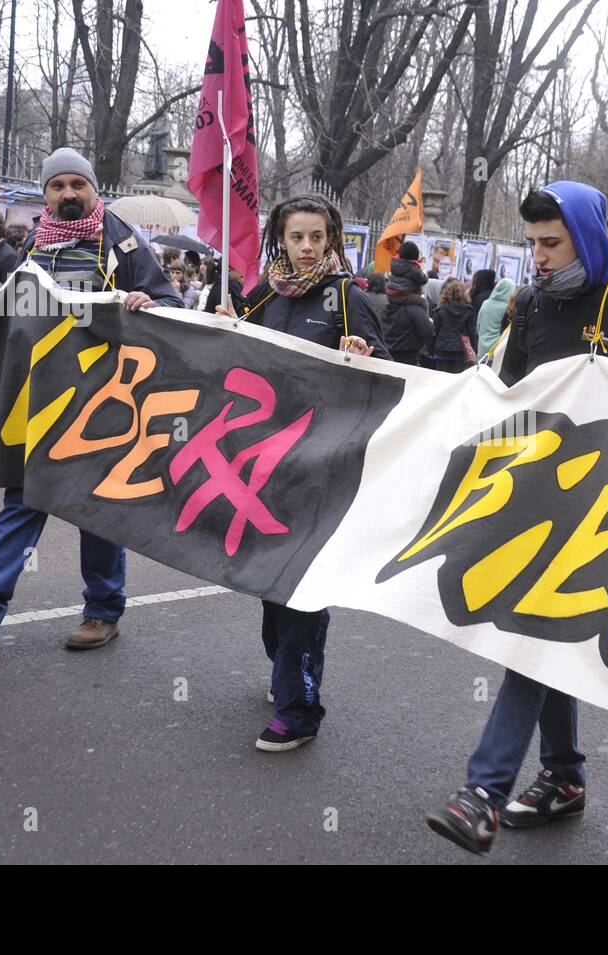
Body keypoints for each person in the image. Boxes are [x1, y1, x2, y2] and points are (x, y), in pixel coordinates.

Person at [425, 181, 608, 855]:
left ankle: (483, 791)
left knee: (534, 633)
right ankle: (565, 775)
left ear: (588, 236)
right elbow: (510, 401)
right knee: (541, 636)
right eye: (532, 244)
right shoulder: (531, 304)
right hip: (540, 507)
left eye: (552, 243)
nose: (539, 257)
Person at [0, 147, 181, 656]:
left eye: (76, 185)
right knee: (22, 500)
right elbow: (9, 317)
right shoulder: (34, 245)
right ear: (45, 194)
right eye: (57, 186)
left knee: (97, 509)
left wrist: (149, 303)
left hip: (104, 404)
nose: (68, 194)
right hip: (40, 403)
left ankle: (103, 612)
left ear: (93, 190)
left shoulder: (121, 243)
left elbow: (168, 300)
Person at [217, 194, 387, 753]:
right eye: (298, 238)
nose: (309, 247)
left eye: (319, 237)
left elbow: (388, 372)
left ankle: (299, 708)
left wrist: (365, 356)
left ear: (332, 241)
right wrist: (221, 330)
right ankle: (286, 672)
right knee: (270, 582)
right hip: (263, 466)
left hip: (323, 470)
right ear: (280, 240)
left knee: (302, 587)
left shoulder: (348, 297)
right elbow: (233, 362)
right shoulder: (261, 293)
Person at [383, 242, 433, 366]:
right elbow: (427, 332)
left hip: (393, 292)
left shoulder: (395, 265)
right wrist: (430, 322)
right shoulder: (416, 309)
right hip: (407, 357)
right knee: (423, 301)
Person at [430, 278, 478, 372]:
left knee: (441, 379)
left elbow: (434, 332)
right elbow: (472, 333)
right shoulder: (469, 311)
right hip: (461, 351)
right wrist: (473, 350)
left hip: (441, 351)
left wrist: (431, 349)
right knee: (457, 381)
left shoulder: (439, 311)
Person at [476, 276, 516, 357]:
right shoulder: (508, 308)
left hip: (481, 349)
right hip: (497, 350)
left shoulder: (486, 303)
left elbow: (478, 326)